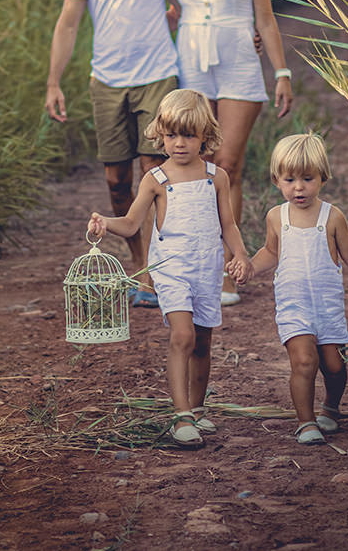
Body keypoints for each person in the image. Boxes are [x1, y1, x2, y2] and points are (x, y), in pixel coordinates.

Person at [87, 89, 253, 448]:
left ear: (205, 137)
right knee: (183, 336)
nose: (180, 143)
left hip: (206, 268)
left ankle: (196, 407)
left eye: (189, 135)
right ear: (160, 134)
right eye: (172, 134)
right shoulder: (156, 179)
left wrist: (239, 255)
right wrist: (104, 222)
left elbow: (229, 225)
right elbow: (132, 224)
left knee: (203, 342)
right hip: (171, 268)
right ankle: (180, 416)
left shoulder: (216, 177)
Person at [46, 0, 178, 308]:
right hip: (107, 79)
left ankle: (156, 275)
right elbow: (68, 23)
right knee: (117, 179)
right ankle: (139, 260)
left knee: (155, 172)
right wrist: (53, 82)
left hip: (158, 74)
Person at [169, 0, 294, 305]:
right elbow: (169, 11)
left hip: (239, 68)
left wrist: (281, 72)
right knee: (199, 167)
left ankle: (230, 269)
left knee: (228, 164)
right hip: (193, 71)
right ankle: (198, 264)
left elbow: (266, 19)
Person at [228, 133, 348, 446]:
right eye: (290, 179)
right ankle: (305, 421)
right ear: (277, 180)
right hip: (294, 306)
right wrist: (249, 266)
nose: (298, 187)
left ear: (323, 178)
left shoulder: (332, 216)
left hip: (328, 308)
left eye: (307, 178)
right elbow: (271, 252)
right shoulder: (277, 217)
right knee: (303, 362)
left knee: (335, 365)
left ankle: (330, 407)